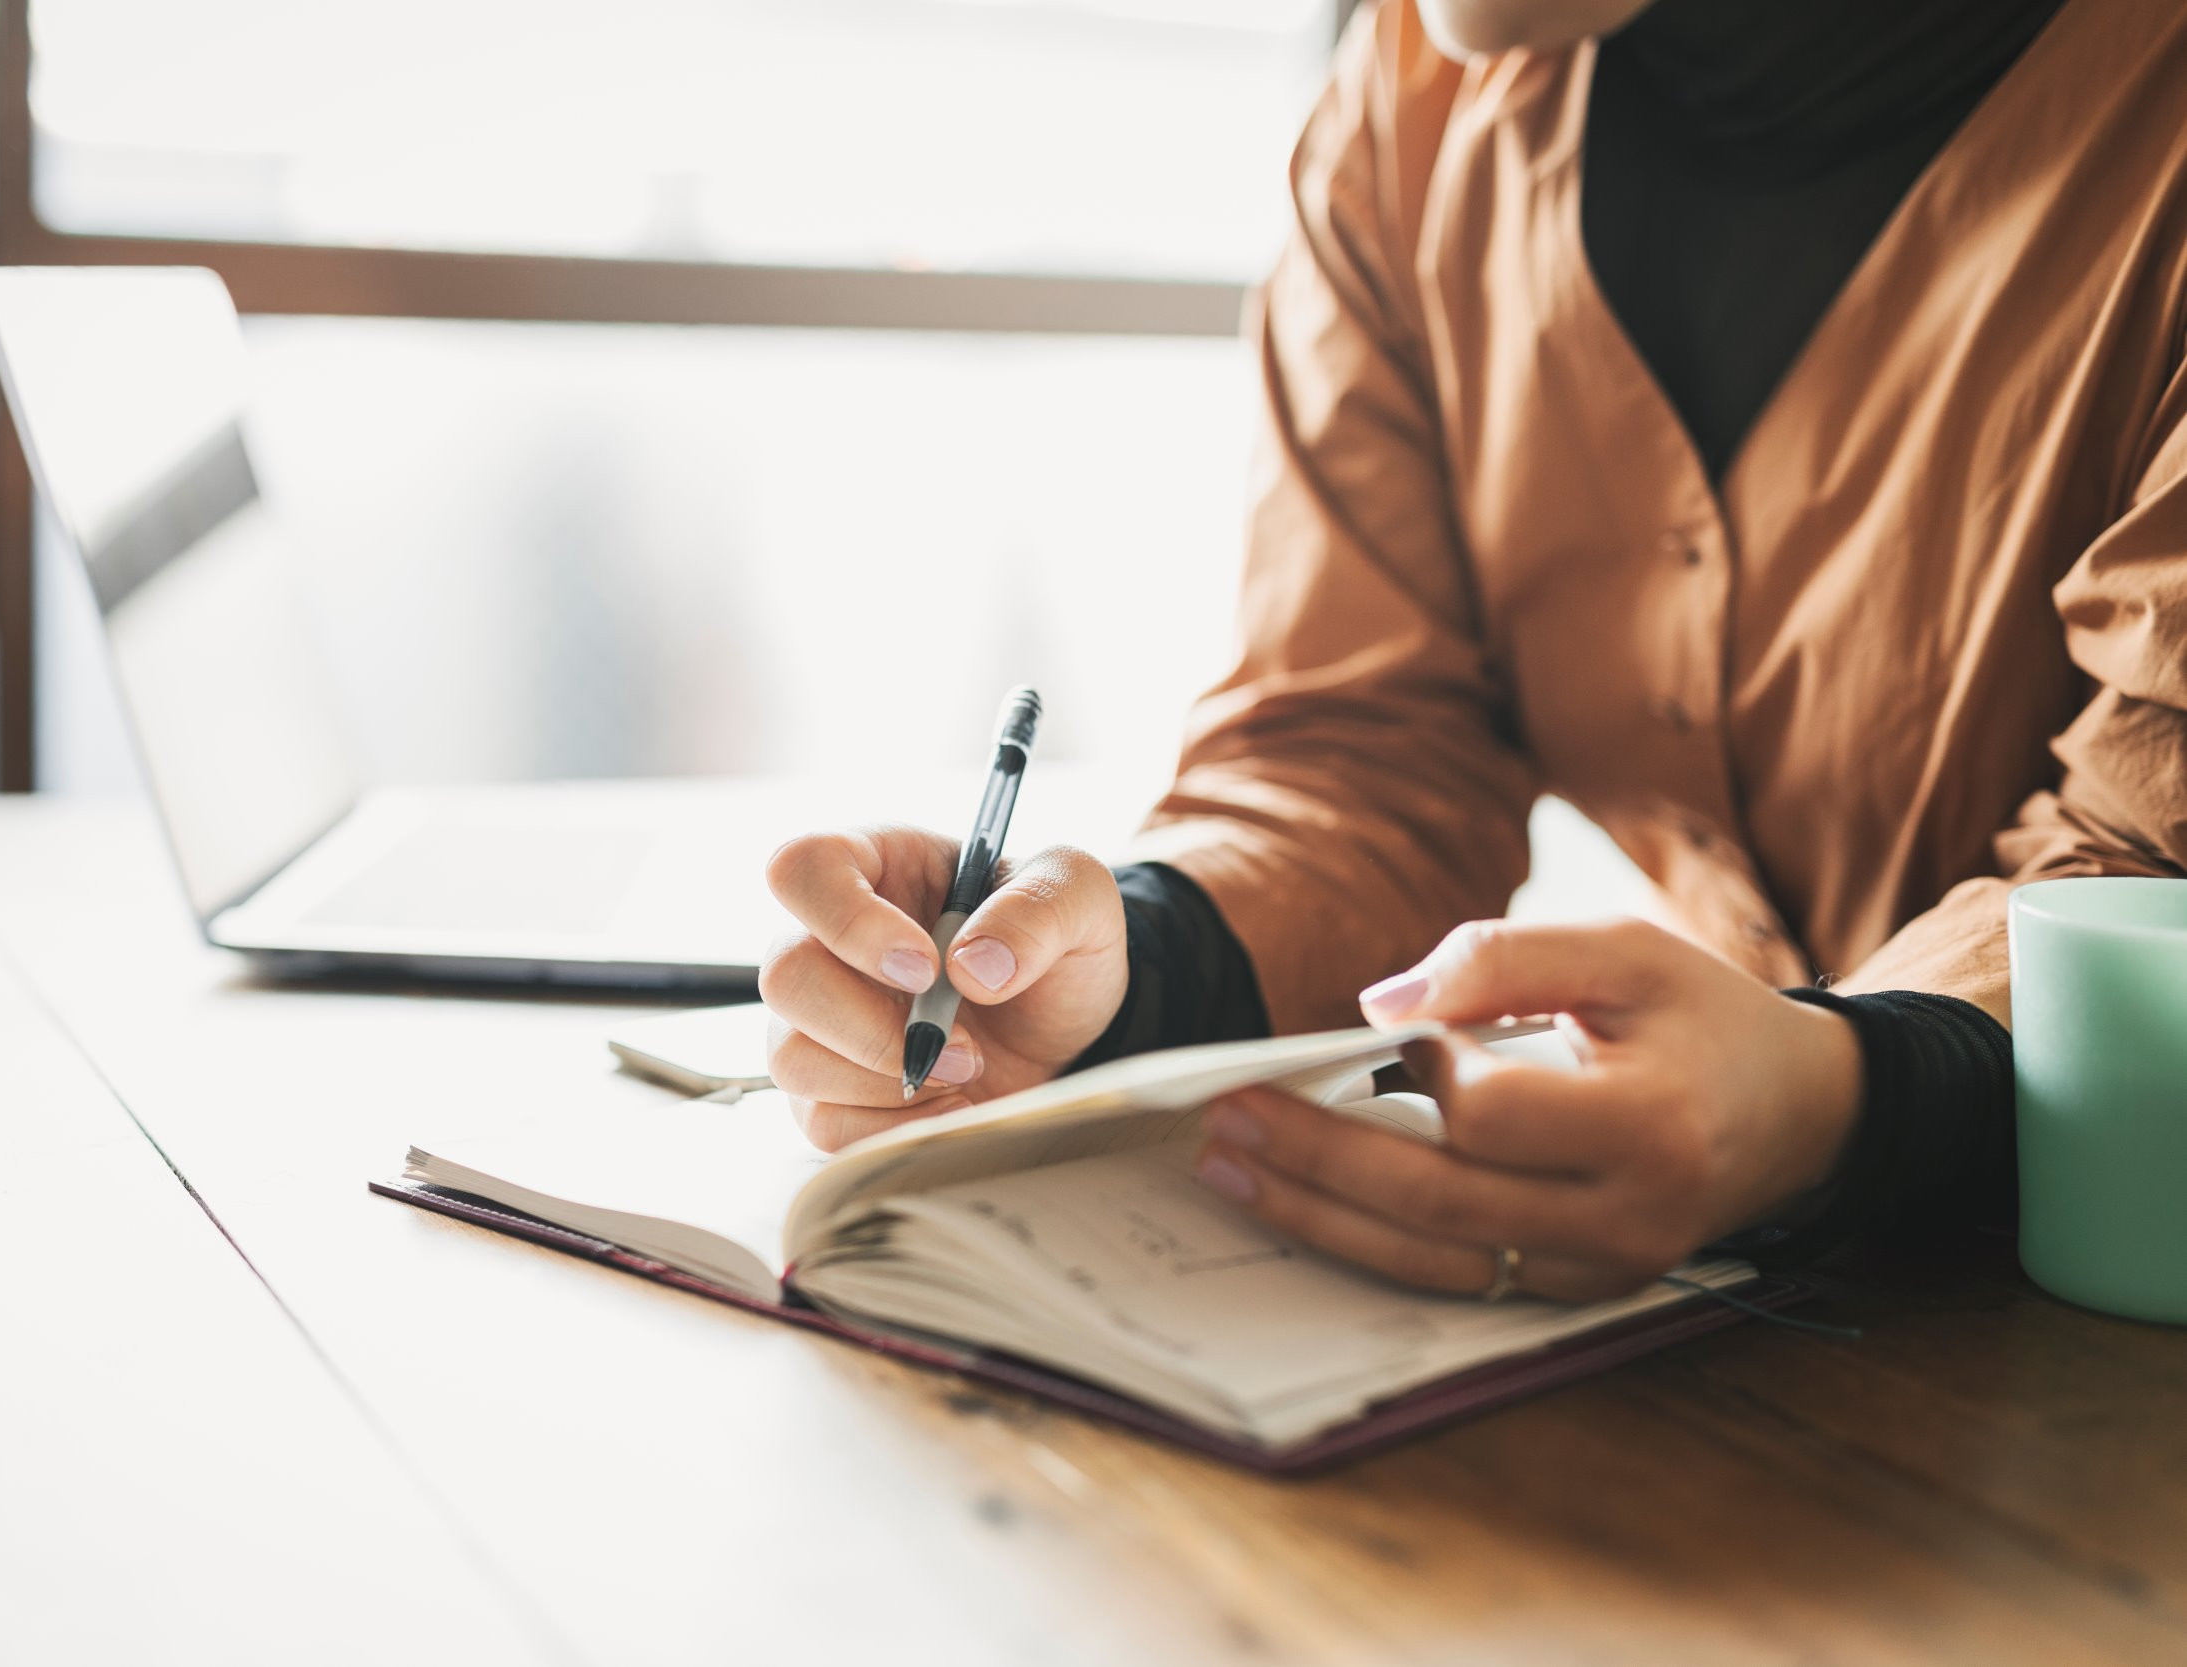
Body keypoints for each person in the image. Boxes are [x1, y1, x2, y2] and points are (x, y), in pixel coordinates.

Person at [758, 0, 2187, 1301]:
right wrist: (1134, 967)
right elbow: (1369, 750)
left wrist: (1847, 1096)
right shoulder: (1410, 104)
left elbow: (2152, 872)